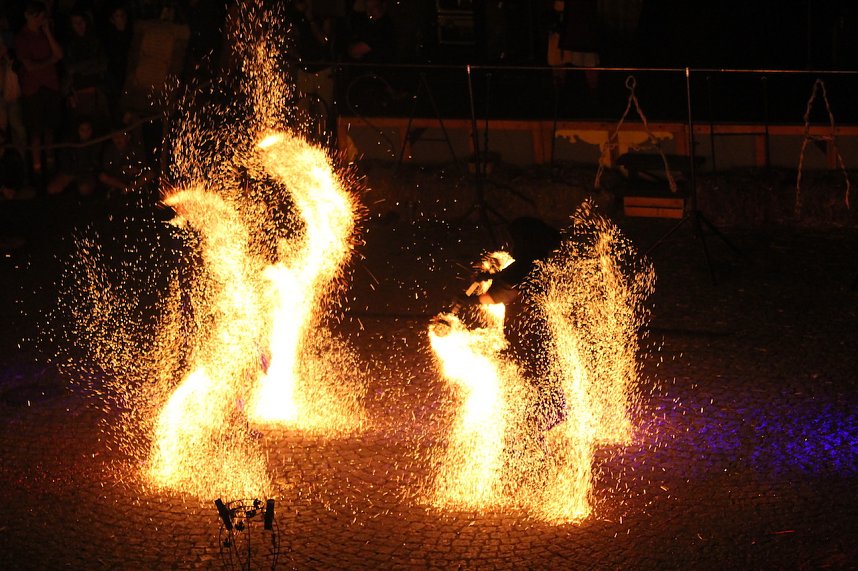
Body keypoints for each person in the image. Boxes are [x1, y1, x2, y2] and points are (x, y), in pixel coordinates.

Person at [458, 217, 566, 431]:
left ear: (525, 241)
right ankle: (546, 413)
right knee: (541, 373)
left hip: (525, 333)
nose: (513, 245)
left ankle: (534, 424)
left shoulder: (524, 265)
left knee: (529, 375)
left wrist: (468, 301)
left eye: (515, 240)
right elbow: (508, 280)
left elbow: (499, 294)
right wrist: (491, 273)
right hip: (540, 329)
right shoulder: (541, 261)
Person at [14, 0, 64, 179]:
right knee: (35, 131)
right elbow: (30, 66)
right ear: (28, 16)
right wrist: (50, 61)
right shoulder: (21, 38)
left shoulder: (45, 32)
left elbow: (59, 54)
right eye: (37, 17)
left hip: (50, 86)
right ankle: (37, 168)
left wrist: (48, 33)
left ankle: (50, 163)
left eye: (42, 17)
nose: (39, 20)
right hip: (33, 89)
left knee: (50, 129)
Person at [62, 9, 110, 129]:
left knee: (100, 125)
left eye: (81, 21)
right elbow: (69, 69)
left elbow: (103, 64)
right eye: (75, 23)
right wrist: (90, 65)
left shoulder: (95, 41)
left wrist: (81, 68)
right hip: (79, 92)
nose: (79, 26)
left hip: (97, 90)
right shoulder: (68, 45)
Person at [47, 115, 102, 196]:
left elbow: (95, 163)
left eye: (88, 129)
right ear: (77, 130)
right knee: (52, 189)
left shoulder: (96, 142)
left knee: (84, 189)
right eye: (82, 130)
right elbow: (65, 160)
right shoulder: (71, 142)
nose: (85, 133)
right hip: (71, 171)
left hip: (87, 173)